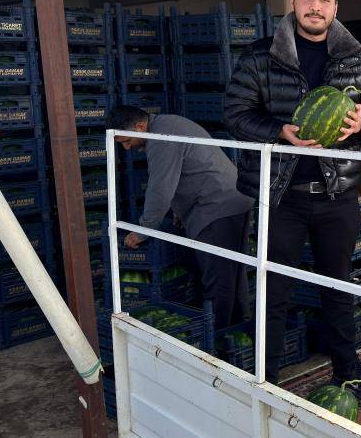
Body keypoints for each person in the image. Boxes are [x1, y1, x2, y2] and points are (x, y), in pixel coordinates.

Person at [223, 0, 361, 402]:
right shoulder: (260, 56)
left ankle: (348, 372)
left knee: (338, 287)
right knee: (273, 291)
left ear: (336, 6)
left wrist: (359, 123)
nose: (316, 6)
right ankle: (268, 379)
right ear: (293, 2)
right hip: (281, 197)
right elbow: (235, 114)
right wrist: (281, 131)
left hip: (337, 195)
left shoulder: (355, 58)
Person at [107, 105, 254, 330]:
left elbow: (160, 188)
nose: (127, 148)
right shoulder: (168, 124)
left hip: (216, 206)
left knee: (218, 277)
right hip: (232, 200)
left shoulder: (161, 137)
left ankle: (219, 340)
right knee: (232, 272)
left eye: (126, 141)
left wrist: (143, 230)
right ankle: (238, 328)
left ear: (139, 127)